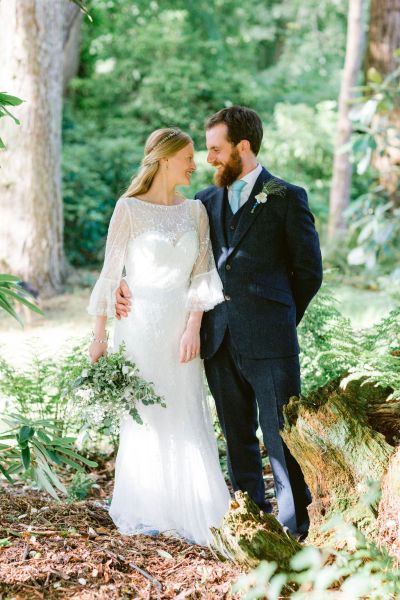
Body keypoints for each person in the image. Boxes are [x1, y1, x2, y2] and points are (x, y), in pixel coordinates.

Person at [116, 107, 323, 539]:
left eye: (215, 148)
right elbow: (176, 255)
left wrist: (281, 317)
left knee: (280, 435)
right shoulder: (204, 203)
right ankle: (253, 520)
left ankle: (295, 527)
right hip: (217, 336)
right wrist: (122, 283)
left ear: (242, 147)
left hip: (270, 339)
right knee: (236, 434)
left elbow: (308, 272)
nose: (208, 158)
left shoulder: (287, 196)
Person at [87, 127, 231, 546]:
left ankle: (193, 504)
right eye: (188, 156)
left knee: (184, 409)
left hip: (180, 329)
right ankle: (149, 505)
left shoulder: (195, 211)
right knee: (145, 415)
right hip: (139, 327)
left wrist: (193, 328)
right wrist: (98, 337)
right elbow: (110, 275)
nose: (195, 163)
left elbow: (203, 275)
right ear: (166, 159)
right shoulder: (128, 208)